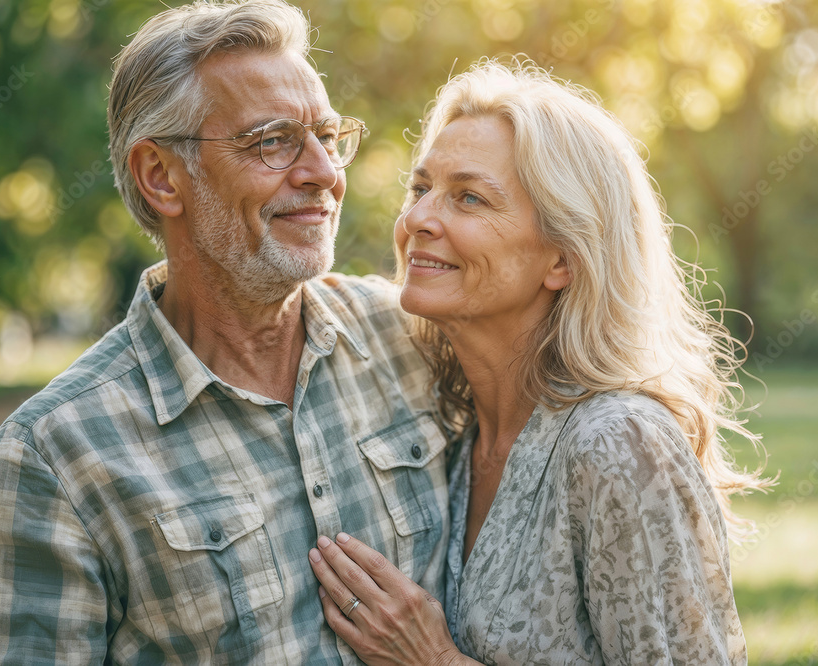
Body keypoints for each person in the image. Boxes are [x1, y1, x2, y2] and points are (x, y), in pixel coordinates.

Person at [0, 1, 451, 662]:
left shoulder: (416, 340)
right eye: (272, 141)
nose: (324, 174)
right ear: (161, 177)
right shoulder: (53, 463)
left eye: (327, 138)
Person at [308, 59, 771, 665]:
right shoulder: (454, 431)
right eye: (421, 189)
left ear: (562, 259)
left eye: (468, 198)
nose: (418, 219)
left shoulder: (619, 444)